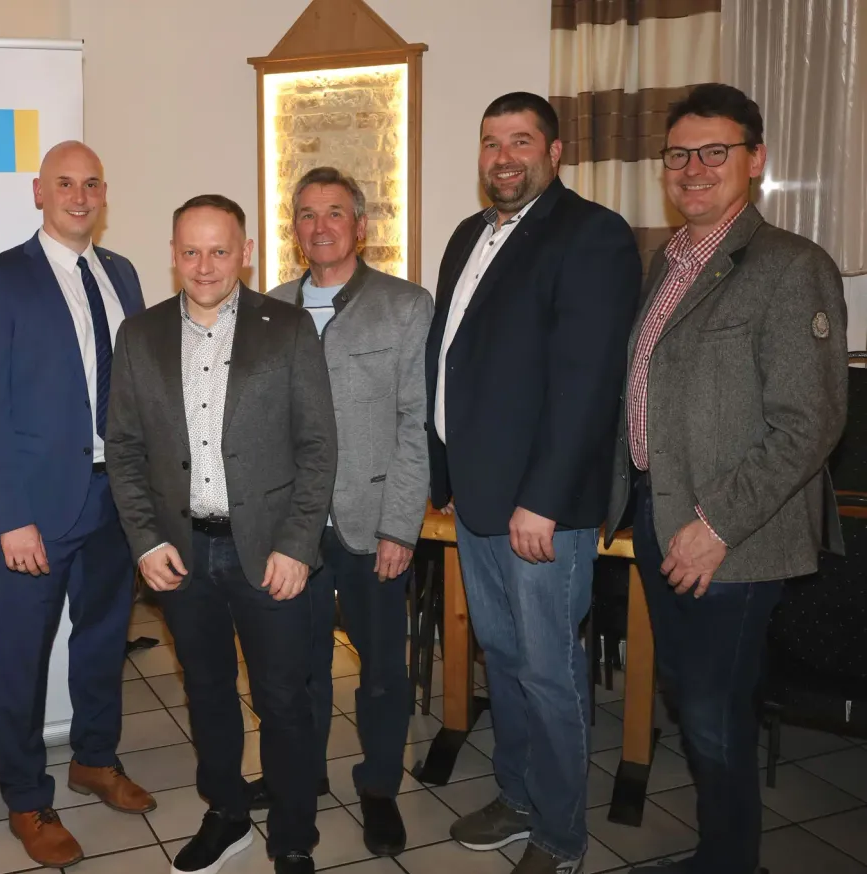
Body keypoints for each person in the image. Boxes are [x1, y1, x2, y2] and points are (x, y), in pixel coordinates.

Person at [607, 84, 847, 874]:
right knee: (693, 702)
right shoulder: (666, 260)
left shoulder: (790, 266)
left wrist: (714, 527)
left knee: (715, 716)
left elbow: (808, 423)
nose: (694, 168)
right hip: (657, 518)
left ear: (756, 159)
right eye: (679, 154)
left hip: (729, 540)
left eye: (715, 151)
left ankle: (731, 861)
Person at [424, 92, 641, 874]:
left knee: (550, 673)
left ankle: (560, 834)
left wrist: (542, 501)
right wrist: (442, 470)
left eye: (521, 141)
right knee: (504, 658)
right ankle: (516, 796)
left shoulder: (592, 235)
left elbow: (587, 382)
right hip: (476, 498)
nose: (503, 156)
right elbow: (451, 359)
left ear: (555, 153)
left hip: (539, 511)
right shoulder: (466, 236)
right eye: (490, 142)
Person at [107, 194, 338, 874]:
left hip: (269, 553)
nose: (204, 265)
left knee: (282, 698)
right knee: (206, 692)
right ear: (173, 254)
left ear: (246, 253)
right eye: (190, 251)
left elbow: (318, 446)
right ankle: (227, 811)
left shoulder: (289, 328)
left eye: (218, 250)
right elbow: (122, 450)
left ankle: (294, 833)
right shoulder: (140, 335)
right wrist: (146, 541)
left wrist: (298, 545)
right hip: (181, 552)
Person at [0, 141, 152, 868]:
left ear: (105, 192)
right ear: (39, 192)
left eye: (91, 183)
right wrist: (8, 517)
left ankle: (95, 759)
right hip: (35, 509)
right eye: (64, 183)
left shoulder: (123, 274)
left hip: (114, 501)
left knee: (104, 643)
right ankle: (27, 798)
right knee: (25, 662)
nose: (79, 195)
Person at [265, 167, 433, 856]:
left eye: (335, 212)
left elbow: (415, 424)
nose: (320, 226)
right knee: (296, 669)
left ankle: (380, 786)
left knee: (382, 673)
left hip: (373, 526)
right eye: (307, 214)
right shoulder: (268, 308)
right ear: (294, 227)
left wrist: (402, 524)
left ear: (360, 225)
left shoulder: (404, 306)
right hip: (294, 531)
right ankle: (300, 780)